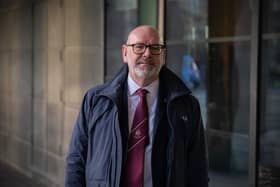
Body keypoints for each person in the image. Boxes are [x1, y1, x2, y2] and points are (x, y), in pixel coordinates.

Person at [66, 25, 209, 187]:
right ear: (125, 53)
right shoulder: (95, 100)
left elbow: (198, 169)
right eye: (139, 47)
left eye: (155, 48)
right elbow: (77, 159)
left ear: (163, 55)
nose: (147, 54)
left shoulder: (187, 106)